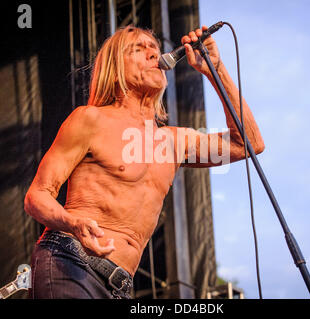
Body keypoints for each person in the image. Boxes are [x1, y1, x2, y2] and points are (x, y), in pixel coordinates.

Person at [24, 24, 265, 299]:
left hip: (120, 285)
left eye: (155, 49)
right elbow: (36, 196)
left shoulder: (175, 141)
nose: (153, 54)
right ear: (115, 68)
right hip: (71, 261)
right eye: (139, 50)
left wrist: (215, 69)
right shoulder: (90, 119)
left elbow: (248, 143)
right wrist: (72, 223)